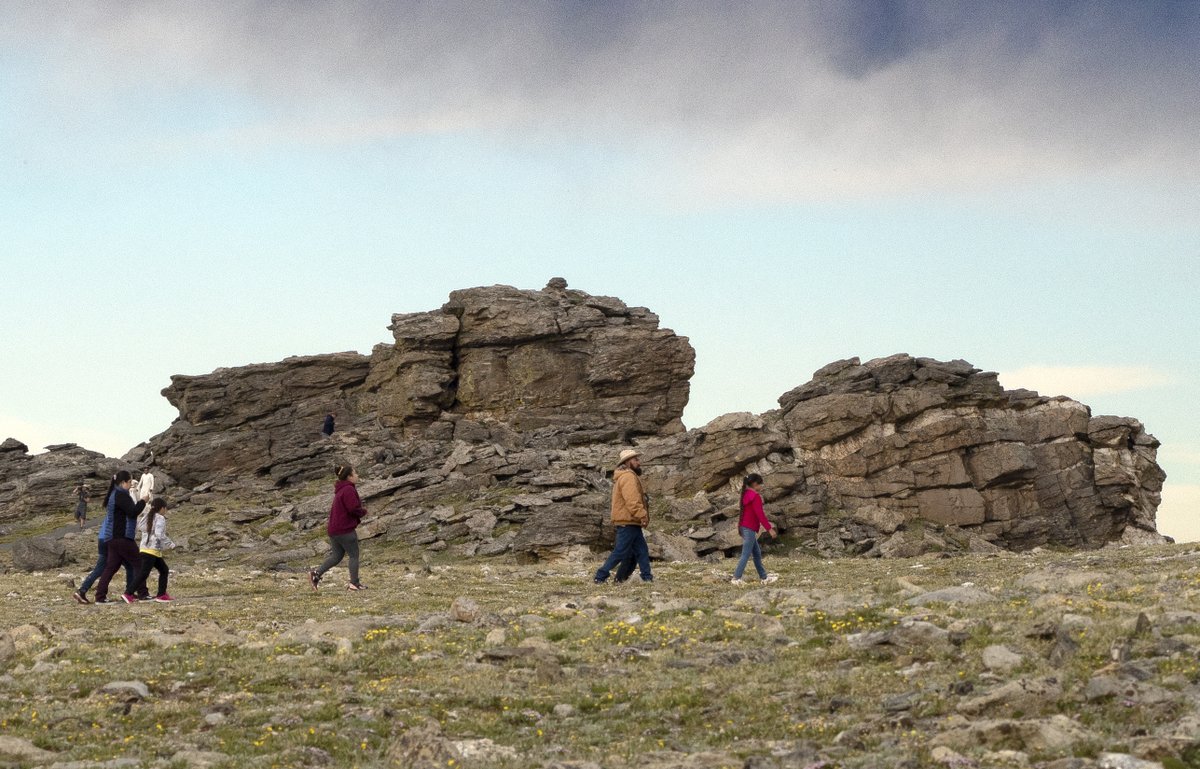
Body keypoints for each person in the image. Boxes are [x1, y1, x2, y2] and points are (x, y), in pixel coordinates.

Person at [72, 477, 137, 604]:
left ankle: (82, 591)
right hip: (111, 539)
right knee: (128, 565)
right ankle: (129, 593)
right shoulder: (119, 504)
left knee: (102, 567)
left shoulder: (112, 503)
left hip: (103, 538)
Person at [593, 448, 653, 584]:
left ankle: (642, 577)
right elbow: (632, 501)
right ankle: (600, 576)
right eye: (636, 460)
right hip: (628, 521)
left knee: (640, 551)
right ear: (627, 462)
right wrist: (642, 515)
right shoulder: (628, 477)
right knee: (621, 552)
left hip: (631, 522)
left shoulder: (626, 476)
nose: (639, 462)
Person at [93, 470, 150, 604]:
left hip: (112, 537)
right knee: (139, 564)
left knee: (111, 567)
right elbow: (132, 512)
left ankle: (100, 597)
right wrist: (143, 501)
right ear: (123, 482)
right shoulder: (121, 495)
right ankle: (142, 593)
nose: (131, 485)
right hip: (121, 537)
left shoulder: (116, 494)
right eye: (130, 482)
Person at [309, 464, 367, 591]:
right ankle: (354, 584)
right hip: (344, 529)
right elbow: (353, 508)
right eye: (355, 473)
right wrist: (363, 512)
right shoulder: (348, 490)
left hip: (334, 529)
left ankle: (316, 574)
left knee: (336, 556)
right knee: (354, 555)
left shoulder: (341, 490)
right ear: (349, 476)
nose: (357, 475)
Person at [730, 473, 779, 585]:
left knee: (756, 553)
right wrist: (770, 529)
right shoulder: (755, 497)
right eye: (760, 484)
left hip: (744, 527)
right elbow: (760, 515)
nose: (761, 486)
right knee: (746, 554)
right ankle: (736, 578)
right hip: (749, 529)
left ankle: (764, 578)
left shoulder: (746, 494)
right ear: (754, 484)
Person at [131, 498, 175, 602]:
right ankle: (129, 592)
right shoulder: (160, 518)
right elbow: (159, 534)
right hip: (152, 550)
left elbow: (140, 527)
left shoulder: (147, 516)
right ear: (162, 508)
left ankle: (162, 594)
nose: (166, 511)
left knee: (164, 570)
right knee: (144, 573)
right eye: (165, 508)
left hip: (144, 548)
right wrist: (170, 544)